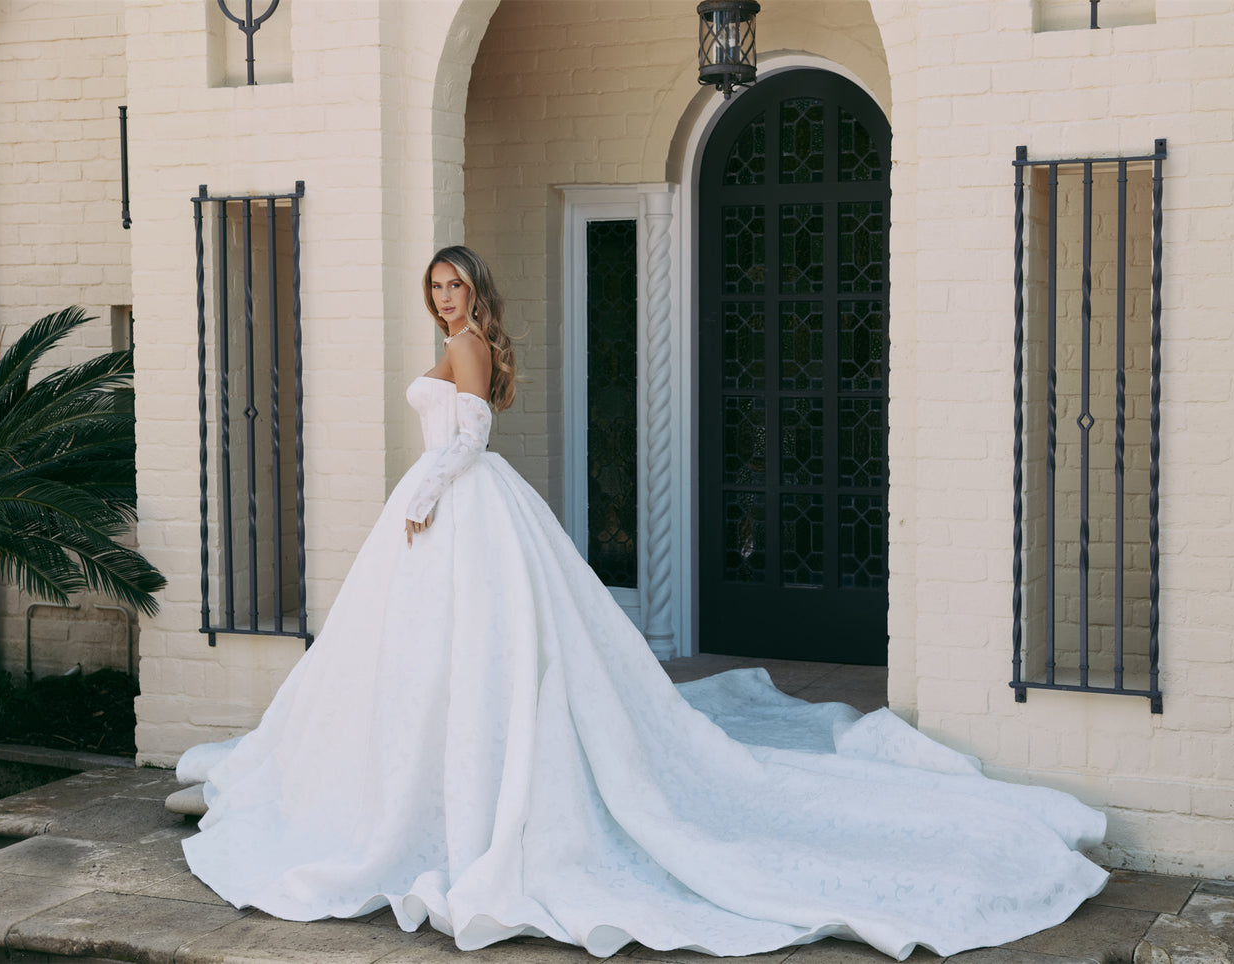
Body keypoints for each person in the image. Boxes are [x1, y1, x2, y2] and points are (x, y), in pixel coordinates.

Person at [180, 245, 1108, 960]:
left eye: (455, 287)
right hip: (450, 506)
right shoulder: (457, 344)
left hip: (453, 503)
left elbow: (466, 438)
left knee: (467, 648)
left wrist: (420, 499)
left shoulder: (464, 353)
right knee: (426, 653)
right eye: (436, 287)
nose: (445, 299)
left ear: (475, 296)